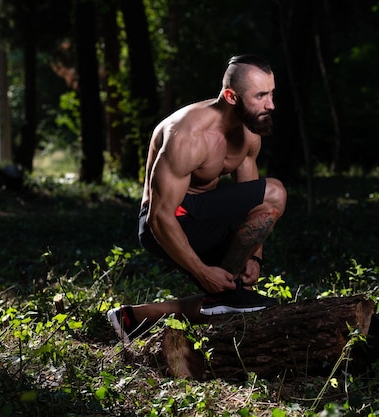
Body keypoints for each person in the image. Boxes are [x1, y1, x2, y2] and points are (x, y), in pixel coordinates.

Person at [107, 54, 287, 342]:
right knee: (276, 189)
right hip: (166, 220)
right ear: (231, 96)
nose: (271, 105)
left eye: (272, 93)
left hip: (204, 213)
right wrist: (202, 272)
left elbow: (254, 206)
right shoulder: (187, 135)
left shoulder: (249, 133)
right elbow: (158, 216)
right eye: (261, 96)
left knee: (238, 302)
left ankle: (132, 318)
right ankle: (223, 294)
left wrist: (255, 256)